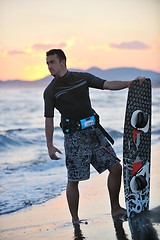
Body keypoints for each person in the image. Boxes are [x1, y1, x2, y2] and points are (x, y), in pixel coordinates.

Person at [43, 49, 145, 225]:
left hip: (94, 133)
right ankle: (75, 220)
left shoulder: (82, 78)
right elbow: (49, 120)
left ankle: (115, 208)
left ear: (62, 62)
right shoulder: (50, 91)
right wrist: (50, 146)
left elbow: (107, 84)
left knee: (116, 168)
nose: (49, 66)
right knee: (74, 180)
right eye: (47, 63)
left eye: (52, 62)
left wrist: (130, 84)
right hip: (74, 139)